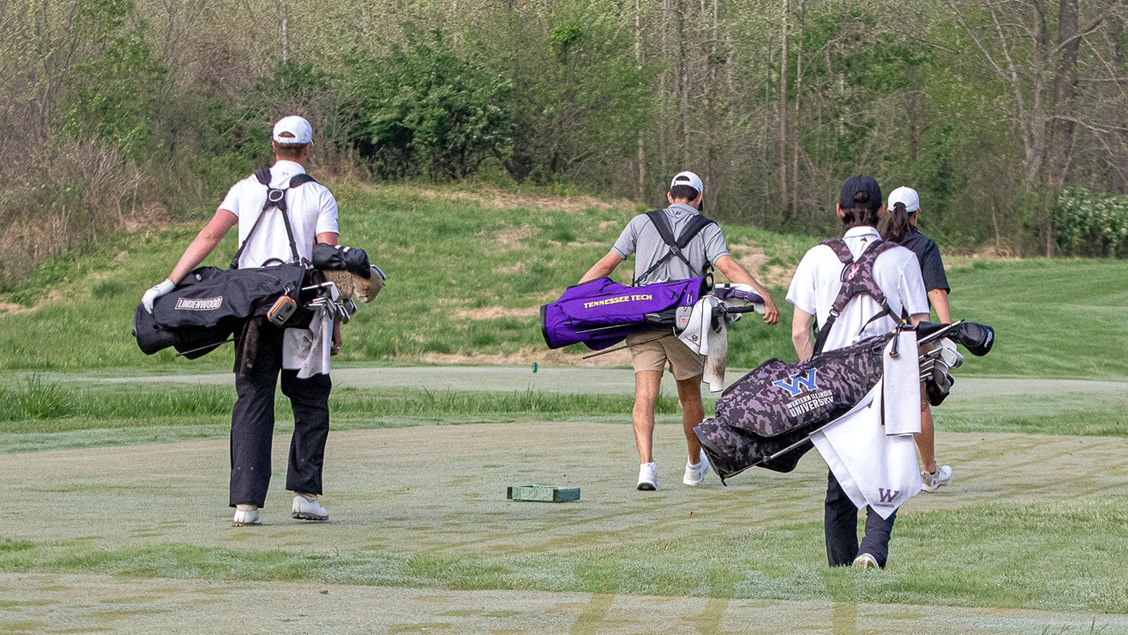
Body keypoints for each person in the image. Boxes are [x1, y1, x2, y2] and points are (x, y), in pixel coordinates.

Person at [141, 115, 342, 527]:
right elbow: (327, 262)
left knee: (253, 399)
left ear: (273, 146)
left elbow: (208, 237)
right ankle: (305, 495)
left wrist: (168, 282)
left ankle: (246, 506)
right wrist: (336, 323)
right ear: (306, 150)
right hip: (303, 306)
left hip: (251, 307)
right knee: (309, 399)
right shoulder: (321, 196)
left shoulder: (244, 189)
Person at [579, 170, 780, 491]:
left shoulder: (640, 222)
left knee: (645, 394)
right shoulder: (708, 228)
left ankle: (646, 467)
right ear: (699, 198)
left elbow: (606, 264)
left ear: (670, 195)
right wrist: (763, 294)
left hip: (642, 318)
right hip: (686, 324)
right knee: (689, 397)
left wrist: (573, 297)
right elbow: (727, 266)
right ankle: (692, 467)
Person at [786, 175, 929, 569]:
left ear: (839, 211)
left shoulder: (816, 257)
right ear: (881, 212)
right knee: (891, 469)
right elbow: (919, 324)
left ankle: (843, 563)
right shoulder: (902, 258)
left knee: (842, 475)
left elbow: (800, 330)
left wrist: (812, 376)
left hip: (832, 383)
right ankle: (873, 549)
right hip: (886, 377)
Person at [883, 186, 954, 493]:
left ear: (887, 212)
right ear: (916, 214)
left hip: (874, 332)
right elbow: (935, 291)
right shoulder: (924, 245)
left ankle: (880, 472)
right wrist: (947, 330)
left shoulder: (876, 244)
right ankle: (928, 472)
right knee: (918, 402)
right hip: (911, 333)